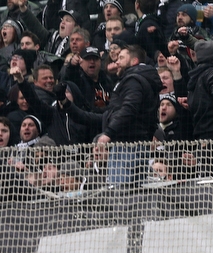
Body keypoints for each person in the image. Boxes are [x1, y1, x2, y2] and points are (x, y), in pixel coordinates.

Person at [62, 45, 161, 185]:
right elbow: (98, 117)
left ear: (134, 61)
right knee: (136, 199)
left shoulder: (133, 80)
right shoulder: (141, 80)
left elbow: (129, 109)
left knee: (120, 197)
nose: (117, 62)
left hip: (126, 147)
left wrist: (108, 133)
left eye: (121, 58)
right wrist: (67, 104)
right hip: (138, 144)